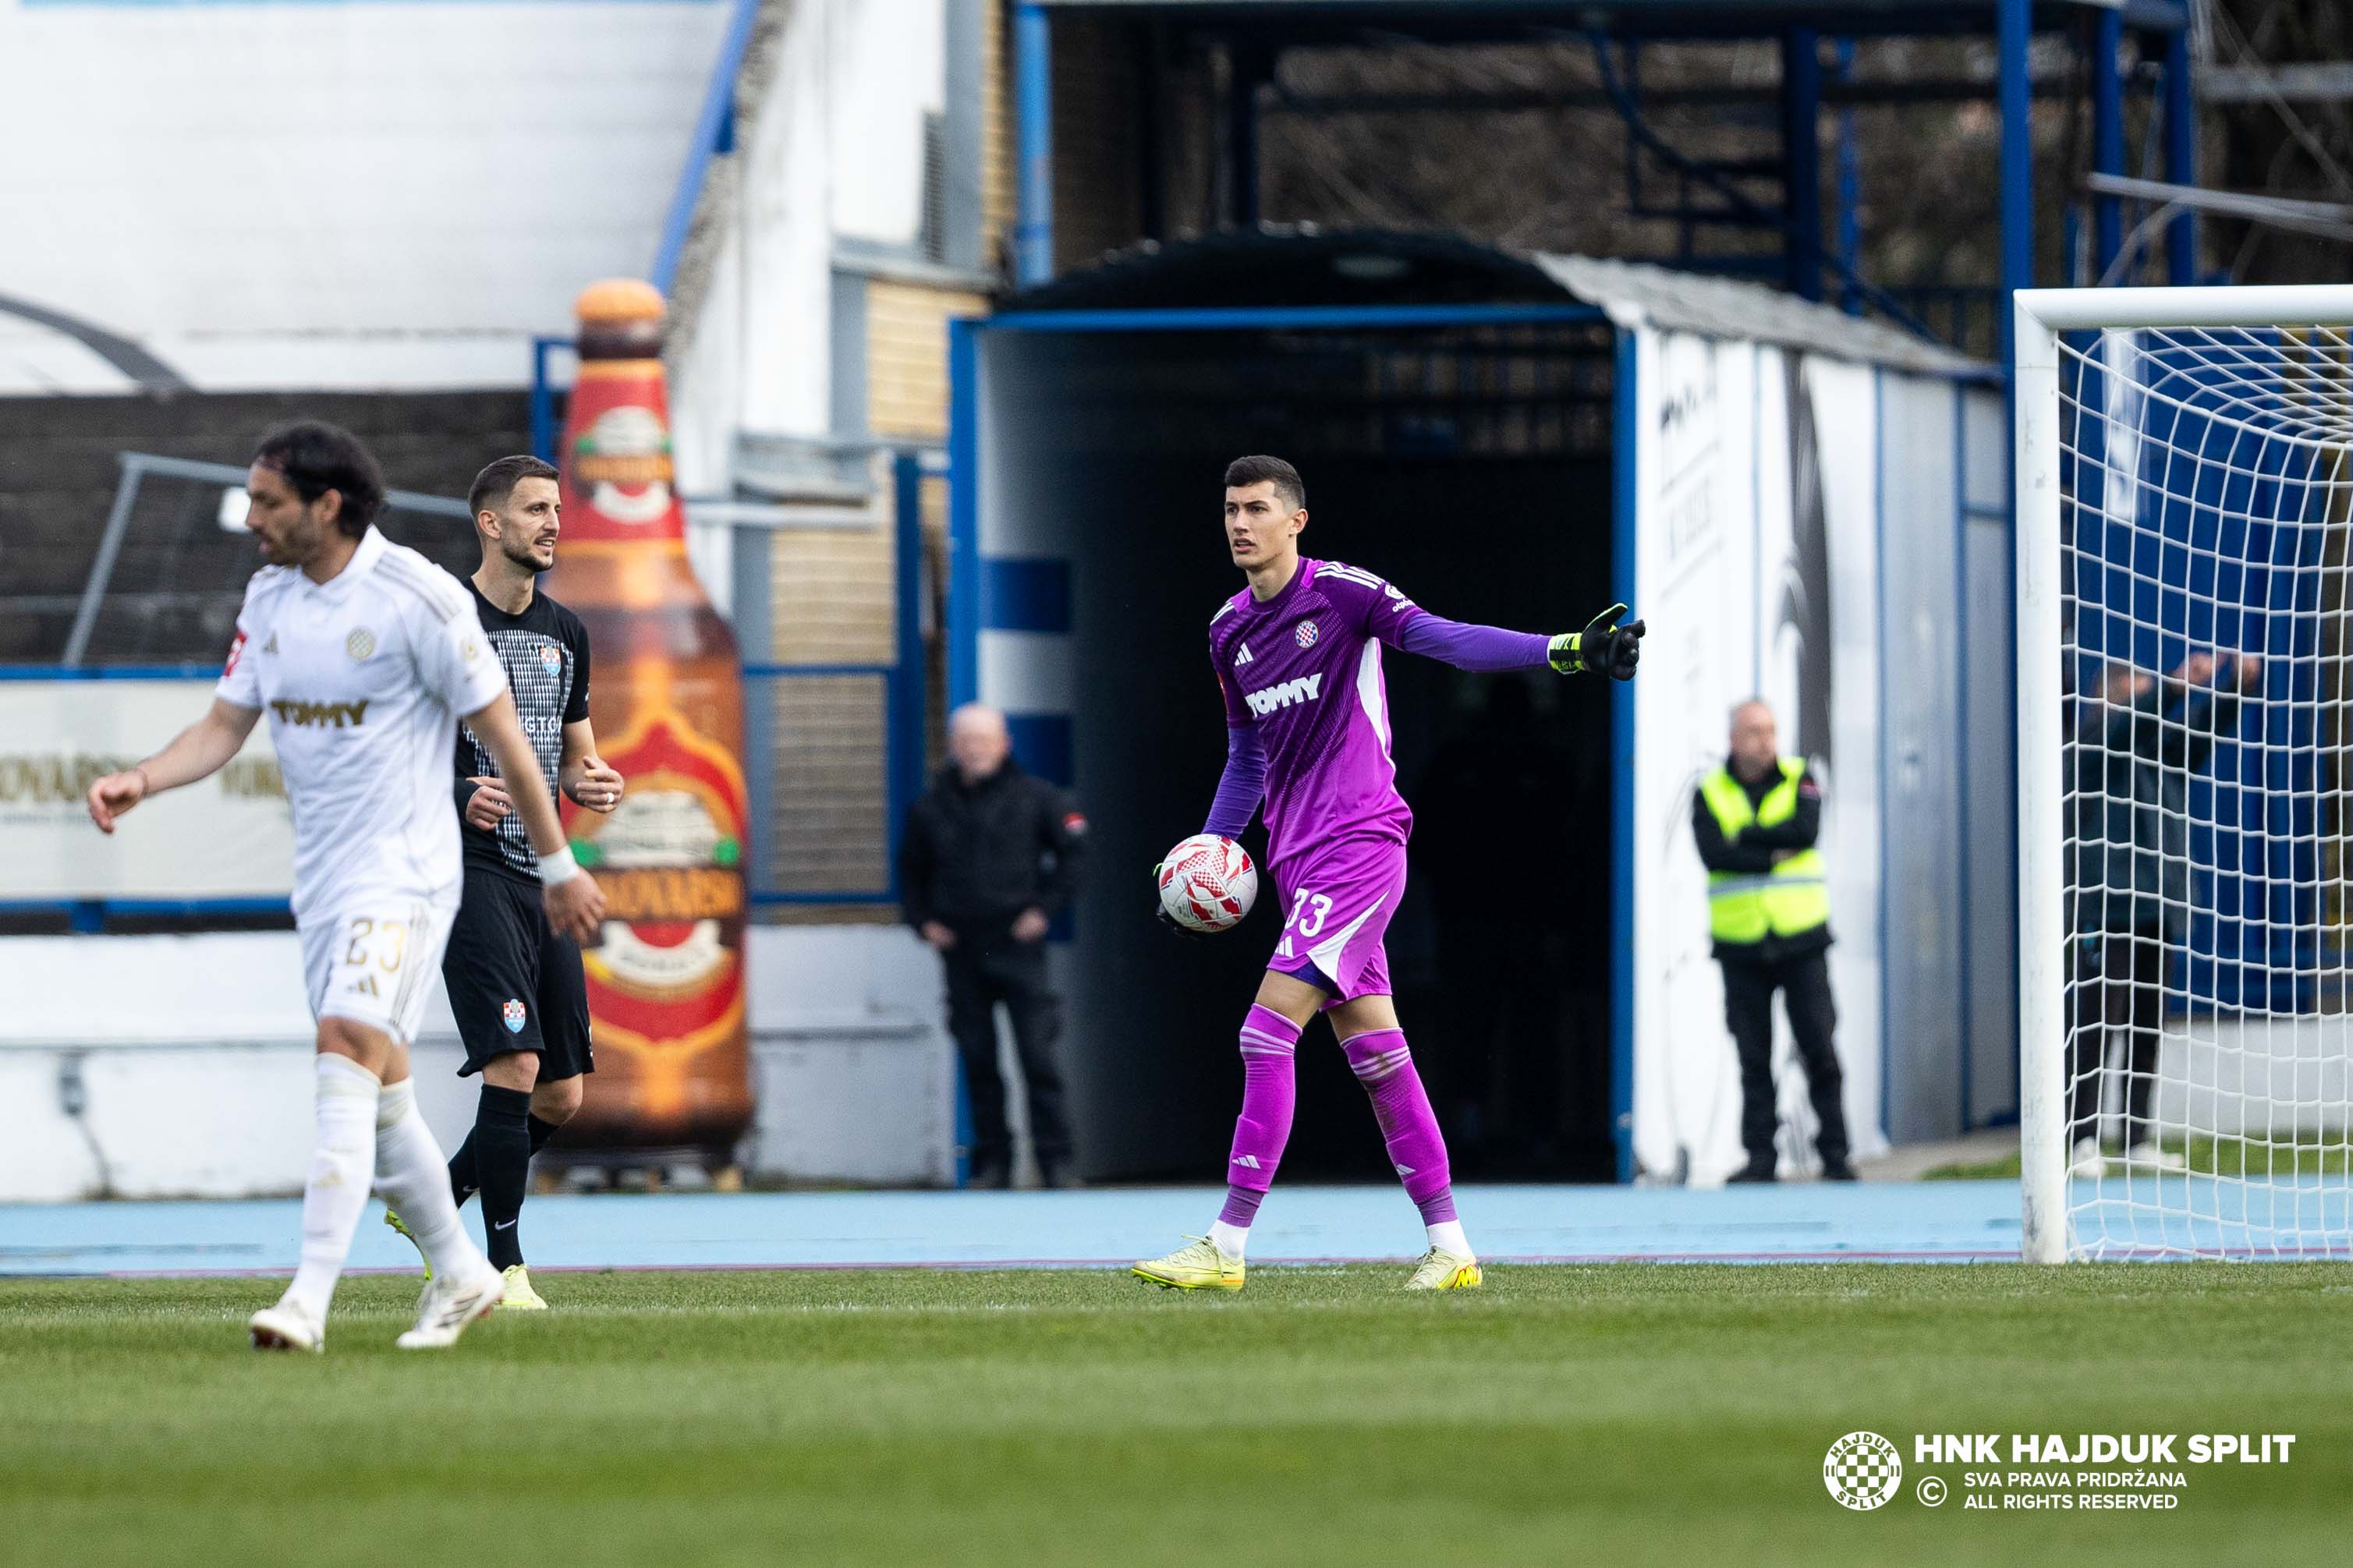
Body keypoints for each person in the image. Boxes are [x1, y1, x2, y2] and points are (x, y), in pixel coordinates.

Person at [83, 422, 605, 1353]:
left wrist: (561, 864)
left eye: (266, 501)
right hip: (325, 879)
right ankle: (459, 1273)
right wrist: (144, 778)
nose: (249, 518)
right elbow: (222, 724)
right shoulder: (271, 595)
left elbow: (512, 740)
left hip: (409, 872)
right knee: (384, 1089)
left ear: (326, 506)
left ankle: (306, 1299)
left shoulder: (417, 597)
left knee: (343, 1053)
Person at [1131, 454, 1643, 1293]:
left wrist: (1562, 650)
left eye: (1257, 508)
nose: (1238, 523)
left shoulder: (1342, 595)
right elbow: (1246, 758)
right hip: (1297, 861)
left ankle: (1225, 1243)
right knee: (1377, 1055)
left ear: (1296, 519)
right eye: (1229, 509)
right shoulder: (1228, 629)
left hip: (1360, 842)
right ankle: (1451, 1246)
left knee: (1264, 1032)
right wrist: (1202, 858)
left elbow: (1445, 639)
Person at [383, 455, 625, 1309]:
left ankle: (433, 1203)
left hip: (541, 870)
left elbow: (577, 752)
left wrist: (595, 779)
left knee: (562, 1093)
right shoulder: (439, 623)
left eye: (556, 509)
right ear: (490, 524)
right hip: (462, 872)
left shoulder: (567, 632)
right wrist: (453, 791)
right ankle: (500, 1270)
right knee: (514, 1061)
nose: (552, 523)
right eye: (534, 510)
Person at [2065, 650, 2257, 1176]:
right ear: (2111, 694)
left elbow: (2199, 729)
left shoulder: (2156, 749)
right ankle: (2081, 1138)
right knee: (2096, 1021)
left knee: (2147, 1023)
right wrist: (2172, 688)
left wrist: (2233, 688)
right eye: (2140, 689)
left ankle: (2135, 1137)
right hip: (2105, 906)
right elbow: (2133, 723)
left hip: (2157, 906)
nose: (2150, 701)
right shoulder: (2092, 743)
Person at [898, 703, 1087, 1188]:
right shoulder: (929, 806)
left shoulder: (1038, 797)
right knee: (979, 1061)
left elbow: (1074, 862)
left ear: (1004, 744)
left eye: (985, 739)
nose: (976, 749)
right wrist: (924, 924)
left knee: (1038, 1059)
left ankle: (1056, 1164)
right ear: (953, 746)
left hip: (1019, 948)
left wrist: (1042, 911)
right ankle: (992, 1166)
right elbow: (909, 875)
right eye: (967, 740)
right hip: (961, 950)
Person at [1690, 699, 1851, 1184]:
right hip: (1741, 947)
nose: (1766, 740)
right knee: (1752, 1056)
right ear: (1734, 739)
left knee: (1820, 1047)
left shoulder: (1802, 776)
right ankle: (1761, 1158)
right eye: (1755, 731)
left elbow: (1805, 832)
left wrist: (1745, 840)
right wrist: (1771, 851)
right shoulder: (1710, 790)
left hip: (1801, 941)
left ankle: (1837, 1155)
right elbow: (1714, 853)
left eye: (1772, 730)